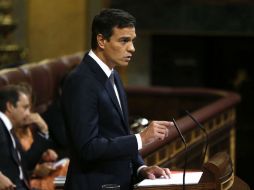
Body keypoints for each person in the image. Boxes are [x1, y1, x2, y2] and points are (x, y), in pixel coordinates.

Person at [61, 8, 174, 190]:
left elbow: (118, 133)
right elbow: (87, 147)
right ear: (101, 41)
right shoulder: (81, 81)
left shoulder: (113, 75)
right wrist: (140, 139)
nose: (132, 48)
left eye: (132, 41)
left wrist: (141, 168)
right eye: (124, 41)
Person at [0, 84, 52, 190]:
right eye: (25, 107)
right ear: (10, 106)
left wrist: (43, 132)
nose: (29, 113)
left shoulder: (9, 128)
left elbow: (26, 162)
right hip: (32, 182)